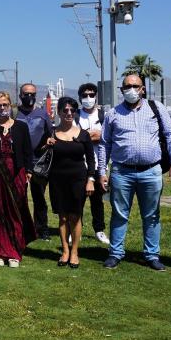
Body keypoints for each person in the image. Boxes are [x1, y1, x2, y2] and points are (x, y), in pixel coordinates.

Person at [98, 73, 171, 271]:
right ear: (121, 90)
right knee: (119, 214)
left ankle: (152, 255)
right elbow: (104, 144)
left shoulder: (156, 108)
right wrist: (102, 171)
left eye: (135, 86)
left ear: (143, 88)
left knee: (152, 215)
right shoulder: (113, 114)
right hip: (121, 172)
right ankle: (116, 253)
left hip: (151, 171)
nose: (131, 90)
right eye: (127, 86)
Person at [0, 92, 36, 267]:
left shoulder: (21, 127)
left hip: (16, 173)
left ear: (11, 105)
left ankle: (13, 252)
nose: (2, 108)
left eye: (5, 105)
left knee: (14, 211)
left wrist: (29, 171)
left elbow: (28, 152)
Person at [38, 97, 95, 268]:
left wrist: (90, 180)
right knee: (62, 217)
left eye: (72, 110)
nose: (69, 113)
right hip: (57, 180)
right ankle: (65, 250)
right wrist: (45, 144)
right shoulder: (52, 133)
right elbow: (37, 152)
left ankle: (75, 252)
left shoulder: (83, 134)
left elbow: (91, 161)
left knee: (75, 217)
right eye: (65, 110)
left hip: (78, 179)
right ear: (59, 112)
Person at [15, 83, 53, 241]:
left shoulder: (43, 114)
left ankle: (41, 228)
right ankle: (21, 227)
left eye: (32, 94)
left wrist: (49, 142)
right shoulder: (14, 114)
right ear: (20, 96)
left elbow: (50, 134)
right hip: (19, 162)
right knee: (19, 197)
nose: (29, 97)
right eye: (26, 94)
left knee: (39, 198)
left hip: (39, 162)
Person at [76, 83, 110, 245]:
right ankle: (76, 229)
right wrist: (91, 137)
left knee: (97, 200)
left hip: (99, 165)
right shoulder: (75, 115)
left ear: (96, 96)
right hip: (79, 165)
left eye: (91, 95)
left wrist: (88, 137)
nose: (88, 98)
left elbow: (108, 137)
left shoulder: (104, 116)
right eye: (84, 95)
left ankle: (99, 230)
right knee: (77, 199)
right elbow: (74, 138)